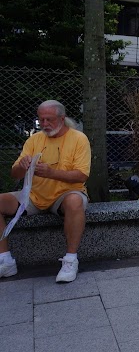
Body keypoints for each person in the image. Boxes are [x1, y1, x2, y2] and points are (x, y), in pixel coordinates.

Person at [0, 100, 91, 283]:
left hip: (65, 194)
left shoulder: (79, 139)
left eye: (49, 119)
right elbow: (14, 173)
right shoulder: (34, 140)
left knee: (75, 202)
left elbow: (81, 176)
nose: (44, 124)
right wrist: (22, 166)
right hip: (33, 196)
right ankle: (5, 260)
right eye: (41, 120)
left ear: (62, 118)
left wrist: (51, 173)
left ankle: (70, 260)